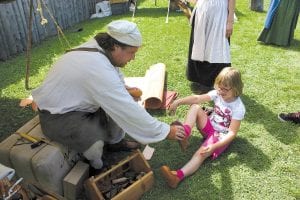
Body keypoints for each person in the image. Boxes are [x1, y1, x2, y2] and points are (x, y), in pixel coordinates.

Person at [31, 20, 186, 169]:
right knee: (95, 141)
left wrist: (126, 90)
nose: (133, 58)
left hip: (77, 104)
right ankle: (97, 165)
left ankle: (115, 142)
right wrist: (165, 131)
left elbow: (116, 82)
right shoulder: (96, 67)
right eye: (131, 52)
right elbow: (126, 108)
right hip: (58, 116)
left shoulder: (100, 50)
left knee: (120, 105)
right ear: (116, 47)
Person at [161, 67, 245, 188]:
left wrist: (214, 146)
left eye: (225, 89)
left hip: (220, 137)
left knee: (200, 153)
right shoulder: (218, 93)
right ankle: (184, 133)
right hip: (210, 128)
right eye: (219, 88)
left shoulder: (238, 107)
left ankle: (177, 177)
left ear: (235, 88)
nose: (221, 92)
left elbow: (232, 133)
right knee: (195, 107)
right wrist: (177, 102)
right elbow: (197, 98)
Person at [186, 0, 235, 89]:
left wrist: (230, 21)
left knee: (217, 48)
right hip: (202, 9)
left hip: (220, 12)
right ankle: (200, 79)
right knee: (199, 46)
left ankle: (217, 80)